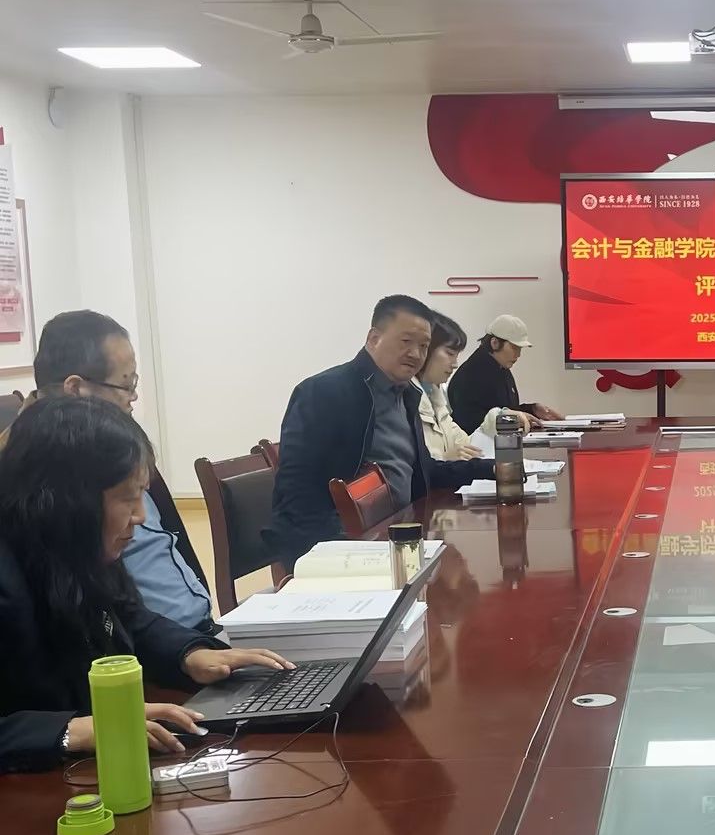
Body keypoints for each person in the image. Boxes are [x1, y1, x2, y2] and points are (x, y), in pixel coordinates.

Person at [0, 398, 293, 772]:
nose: (140, 516)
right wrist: (69, 731)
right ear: (65, 501)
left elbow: (126, 614)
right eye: (128, 498)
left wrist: (190, 654)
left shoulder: (70, 547)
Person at [0, 310, 215, 634]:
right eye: (126, 385)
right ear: (76, 389)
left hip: (182, 637)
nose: (134, 397)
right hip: (137, 649)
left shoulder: (112, 448)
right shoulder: (40, 475)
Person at [265, 295, 493, 569]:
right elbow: (297, 492)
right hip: (344, 550)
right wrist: (343, 555)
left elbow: (423, 471)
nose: (416, 354)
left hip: (397, 537)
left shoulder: (406, 395)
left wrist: (492, 469)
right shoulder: (324, 392)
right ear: (374, 338)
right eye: (406, 341)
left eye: (423, 346)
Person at [415, 312, 532, 461]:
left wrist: (502, 418)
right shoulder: (472, 374)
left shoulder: (435, 397)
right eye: (449, 353)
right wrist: (444, 458)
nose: (455, 364)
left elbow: (466, 443)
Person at [447, 314, 562, 436]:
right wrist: (513, 419)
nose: (518, 355)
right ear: (495, 343)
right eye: (514, 348)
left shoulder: (500, 367)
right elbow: (469, 421)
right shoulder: (471, 374)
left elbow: (504, 409)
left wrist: (532, 409)